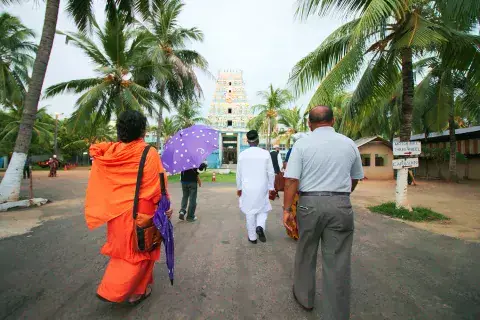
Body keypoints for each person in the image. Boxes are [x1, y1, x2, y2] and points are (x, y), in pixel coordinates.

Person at [84, 110, 172, 305]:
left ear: (120, 130)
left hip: (116, 212)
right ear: (142, 130)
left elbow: (95, 149)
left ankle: (140, 285)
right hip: (141, 210)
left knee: (125, 250)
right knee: (143, 249)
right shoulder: (148, 152)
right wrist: (165, 205)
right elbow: (158, 184)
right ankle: (126, 291)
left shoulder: (111, 151)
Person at [283, 106, 364, 318]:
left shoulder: (302, 144)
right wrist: (342, 196)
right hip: (340, 203)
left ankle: (305, 298)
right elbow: (355, 177)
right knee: (338, 259)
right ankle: (336, 312)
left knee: (306, 251)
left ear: (309, 123)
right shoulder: (349, 144)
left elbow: (291, 180)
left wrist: (286, 210)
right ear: (333, 120)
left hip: (309, 203)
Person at [236, 130, 275, 244]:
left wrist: (239, 188)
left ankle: (252, 237)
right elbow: (271, 173)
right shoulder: (265, 153)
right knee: (263, 208)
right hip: (262, 186)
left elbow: (239, 174)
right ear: (258, 140)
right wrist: (271, 187)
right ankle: (260, 226)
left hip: (247, 188)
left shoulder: (242, 155)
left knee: (250, 211)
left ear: (247, 141)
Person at [283, 133, 309, 240]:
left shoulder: (293, 151)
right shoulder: (309, 149)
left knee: (293, 209)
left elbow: (286, 166)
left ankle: (295, 232)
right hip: (307, 187)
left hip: (296, 185)